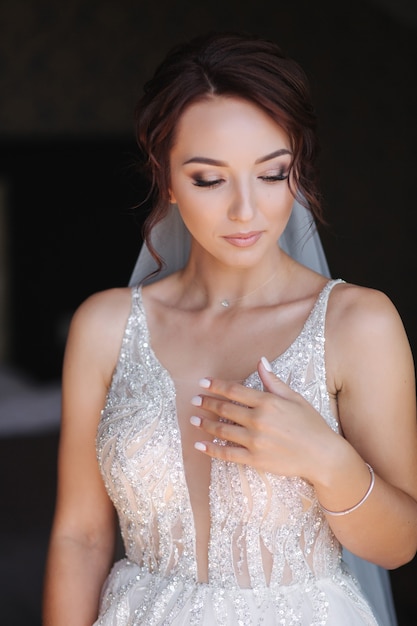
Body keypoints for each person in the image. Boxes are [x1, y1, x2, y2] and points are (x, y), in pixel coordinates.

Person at [42, 32, 417, 625]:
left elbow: (398, 545)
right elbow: (81, 537)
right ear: (165, 177)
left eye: (272, 174)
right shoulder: (105, 325)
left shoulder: (359, 323)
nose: (246, 210)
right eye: (209, 179)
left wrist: (327, 459)